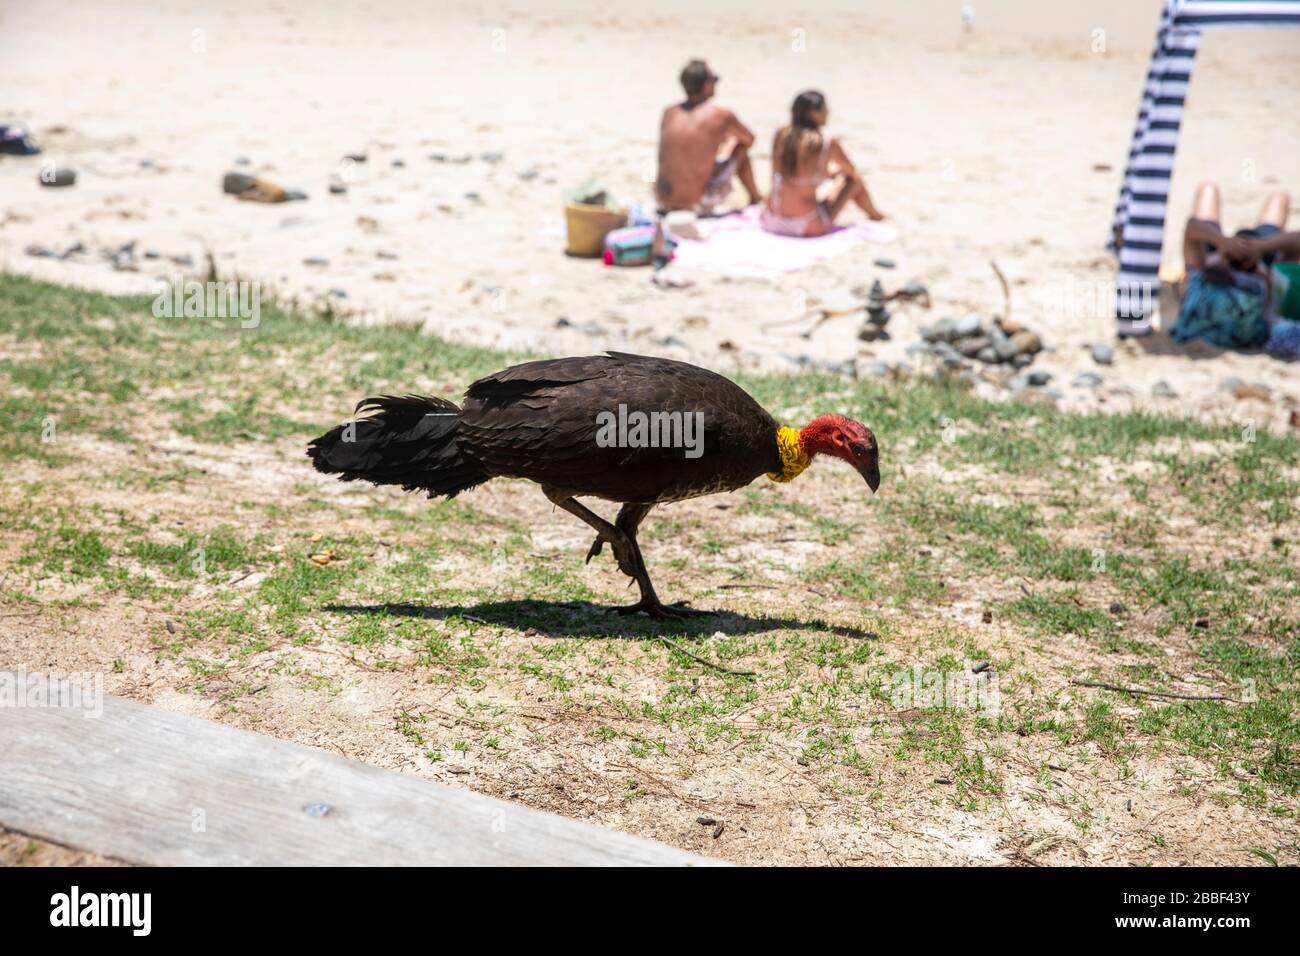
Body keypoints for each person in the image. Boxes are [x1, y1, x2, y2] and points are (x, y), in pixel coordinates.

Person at [1172, 182, 1300, 348]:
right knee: (1279, 198)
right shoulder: (1271, 291)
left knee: (1208, 190)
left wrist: (1221, 242)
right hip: (1255, 253)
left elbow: (1192, 226)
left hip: (1225, 257)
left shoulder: (1198, 283)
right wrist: (1261, 247)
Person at [760, 90, 885, 238]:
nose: (828, 112)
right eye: (825, 108)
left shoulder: (781, 134)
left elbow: (793, 174)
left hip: (771, 220)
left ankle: (876, 215)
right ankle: (876, 215)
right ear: (814, 114)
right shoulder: (826, 142)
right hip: (806, 224)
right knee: (854, 180)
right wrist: (834, 173)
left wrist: (827, 173)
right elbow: (851, 171)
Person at [655, 60, 762, 216]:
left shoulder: (669, 112)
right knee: (740, 149)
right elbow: (750, 140)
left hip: (663, 202)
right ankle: (755, 198)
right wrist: (729, 143)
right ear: (706, 85)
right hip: (697, 206)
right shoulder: (721, 115)